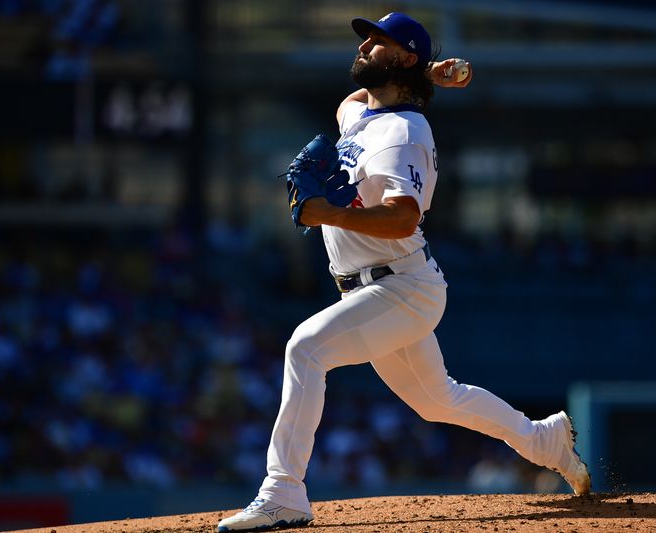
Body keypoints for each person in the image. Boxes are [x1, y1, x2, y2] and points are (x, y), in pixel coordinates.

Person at [217, 12, 591, 532]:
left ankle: (283, 493)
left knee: (305, 348)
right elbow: (347, 104)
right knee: (439, 399)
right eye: (366, 38)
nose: (365, 45)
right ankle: (542, 439)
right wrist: (428, 72)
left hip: (401, 286)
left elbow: (402, 215)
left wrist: (328, 213)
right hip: (377, 287)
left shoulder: (404, 131)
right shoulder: (366, 117)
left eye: (378, 41)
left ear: (403, 56)